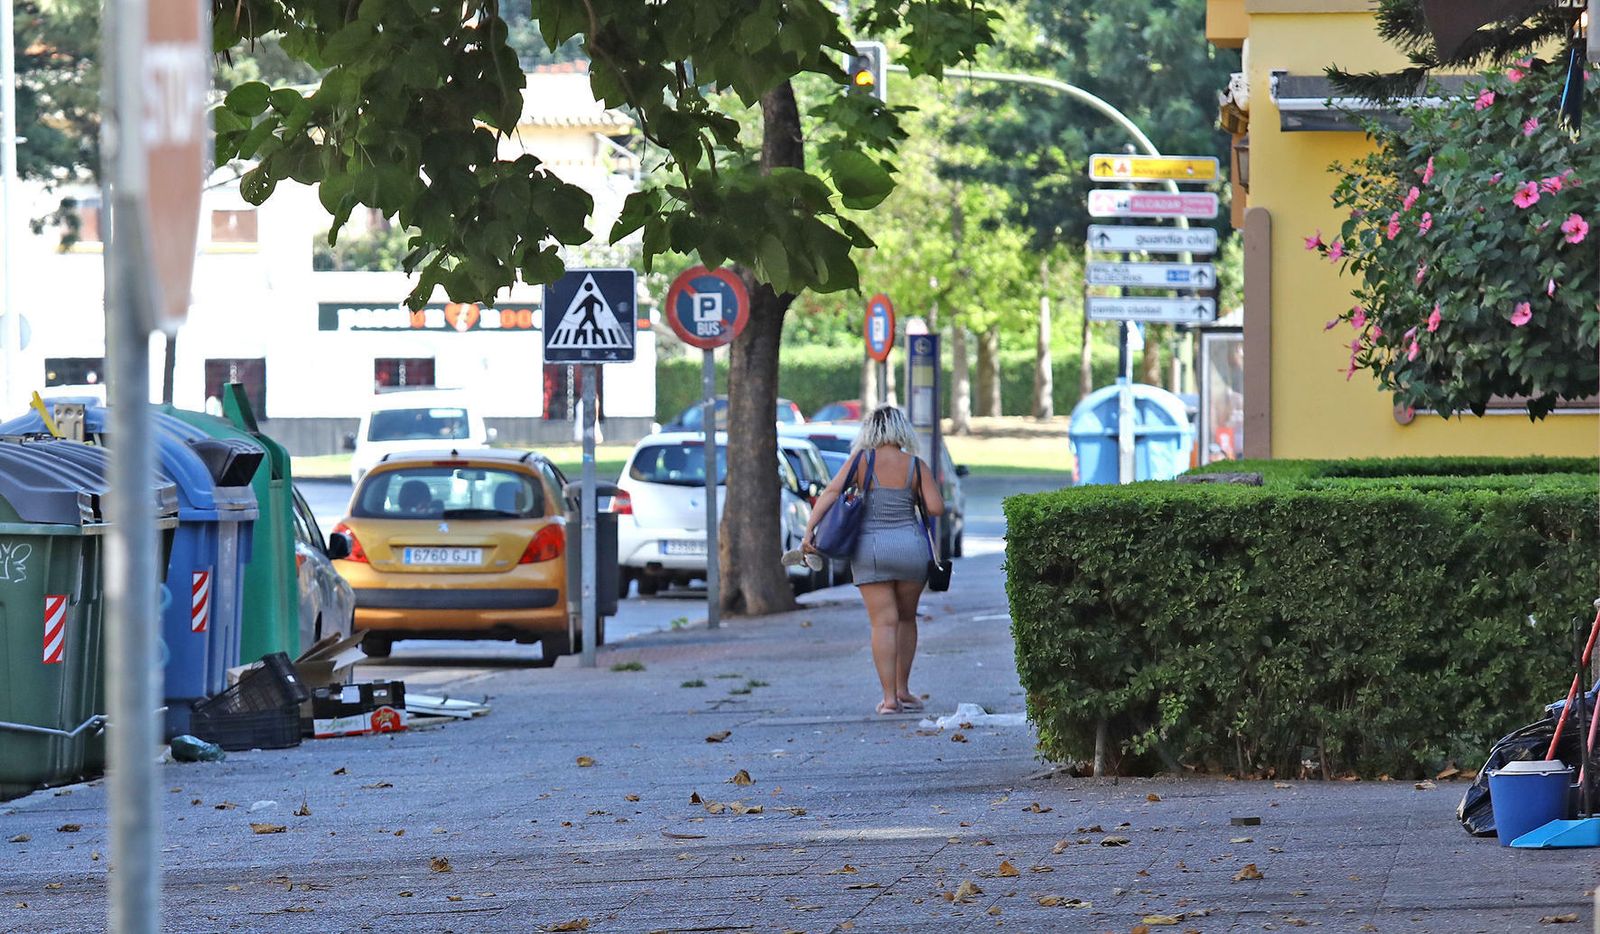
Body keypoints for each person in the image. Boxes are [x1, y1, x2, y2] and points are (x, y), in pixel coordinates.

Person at [802, 405, 944, 715]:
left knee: (883, 622)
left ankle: (889, 699)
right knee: (907, 619)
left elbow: (830, 493)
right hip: (911, 550)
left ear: (870, 431)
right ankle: (905, 690)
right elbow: (935, 508)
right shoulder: (915, 465)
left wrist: (810, 529)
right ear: (901, 431)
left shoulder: (860, 462)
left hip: (870, 550)